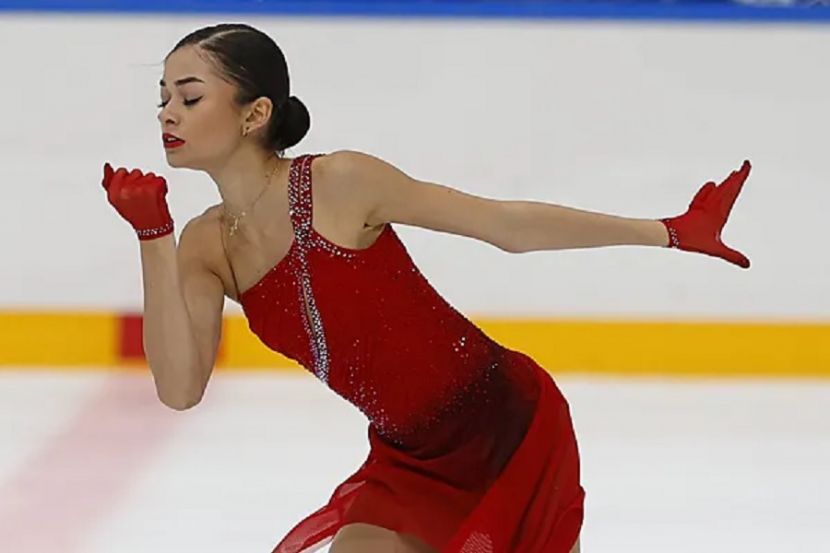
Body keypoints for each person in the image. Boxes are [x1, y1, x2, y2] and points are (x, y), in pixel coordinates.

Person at [100, 23, 751, 553]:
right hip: (410, 458)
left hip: (505, 426)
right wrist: (153, 235)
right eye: (162, 98)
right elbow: (180, 389)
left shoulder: (340, 183)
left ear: (256, 113)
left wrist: (668, 231)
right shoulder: (205, 245)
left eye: (189, 98)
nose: (167, 113)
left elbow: (505, 225)